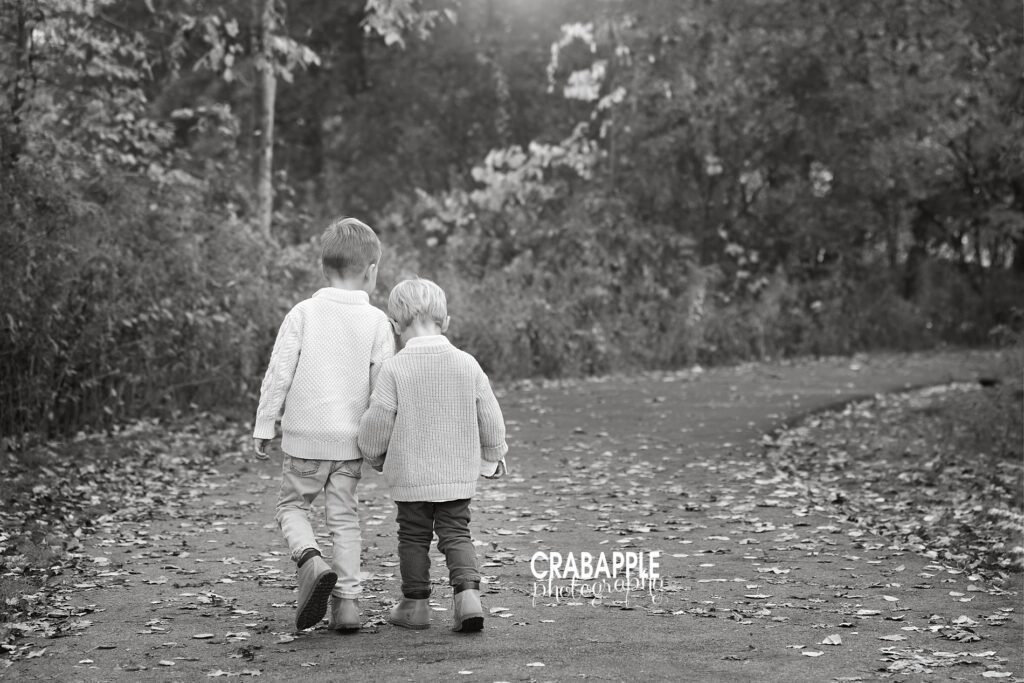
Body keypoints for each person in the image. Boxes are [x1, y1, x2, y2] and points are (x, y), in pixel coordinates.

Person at [252, 217, 395, 632]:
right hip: (350, 445)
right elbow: (383, 390)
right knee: (345, 520)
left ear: (322, 268)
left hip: (305, 440)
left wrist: (265, 423)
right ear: (371, 271)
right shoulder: (377, 322)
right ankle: (347, 606)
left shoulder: (303, 313)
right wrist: (381, 445)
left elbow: (280, 371)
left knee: (293, 507)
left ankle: (310, 558)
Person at [357, 278, 508, 633]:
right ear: (447, 322)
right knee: (456, 533)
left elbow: (378, 421)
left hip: (410, 476)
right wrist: (493, 455)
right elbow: (490, 416)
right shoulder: (466, 363)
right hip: (456, 473)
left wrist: (374, 454)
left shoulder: (395, 368)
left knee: (413, 536)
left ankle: (415, 606)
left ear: (395, 326)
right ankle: (468, 597)